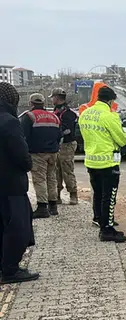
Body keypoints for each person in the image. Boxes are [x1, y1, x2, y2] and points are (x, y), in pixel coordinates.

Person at [79, 86, 126, 243]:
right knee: (109, 196)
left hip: (91, 160)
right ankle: (107, 229)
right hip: (108, 162)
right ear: (110, 100)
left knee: (98, 194)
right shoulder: (110, 116)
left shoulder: (85, 114)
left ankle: (100, 220)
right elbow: (122, 139)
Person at [0, 82, 39, 284]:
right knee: (18, 227)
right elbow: (21, 154)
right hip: (10, 185)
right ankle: (10, 269)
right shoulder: (9, 121)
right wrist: (27, 164)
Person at [20, 93, 62, 219]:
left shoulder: (29, 116)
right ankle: (53, 206)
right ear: (44, 103)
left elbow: (23, 135)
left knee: (40, 179)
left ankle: (42, 207)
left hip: (37, 152)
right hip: (53, 152)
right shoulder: (54, 116)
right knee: (51, 178)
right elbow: (59, 134)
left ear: (31, 103)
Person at [51, 88, 79, 206]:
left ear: (56, 98)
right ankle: (56, 194)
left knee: (67, 170)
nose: (52, 99)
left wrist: (55, 132)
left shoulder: (68, 113)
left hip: (67, 144)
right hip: (57, 145)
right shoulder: (56, 111)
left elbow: (67, 130)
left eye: (53, 97)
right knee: (56, 170)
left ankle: (73, 194)